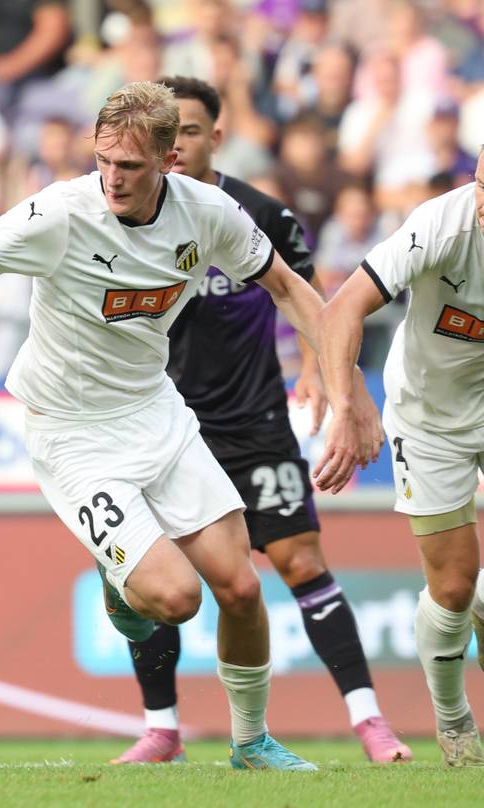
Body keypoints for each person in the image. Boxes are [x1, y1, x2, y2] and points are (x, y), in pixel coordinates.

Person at [0, 80, 383, 770]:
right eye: (103, 161)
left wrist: (347, 392)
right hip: (70, 431)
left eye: (129, 166)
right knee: (178, 599)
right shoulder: (61, 214)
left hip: (153, 411)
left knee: (244, 589)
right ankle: (118, 573)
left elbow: (289, 287)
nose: (112, 179)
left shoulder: (209, 213)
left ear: (168, 157)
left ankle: (250, 742)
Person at [109, 76, 409, 766]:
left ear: (216, 136)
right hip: (165, 429)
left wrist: (316, 368)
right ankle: (162, 730)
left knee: (301, 561)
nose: (174, 144)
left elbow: (307, 297)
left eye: (187, 130)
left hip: (255, 422)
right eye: (164, 131)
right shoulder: (123, 214)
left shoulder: (260, 214)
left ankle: (370, 723)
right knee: (160, 581)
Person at [316, 150, 484, 768]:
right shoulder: (440, 226)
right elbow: (342, 308)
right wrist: (345, 404)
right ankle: (452, 717)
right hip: (429, 416)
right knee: (454, 584)